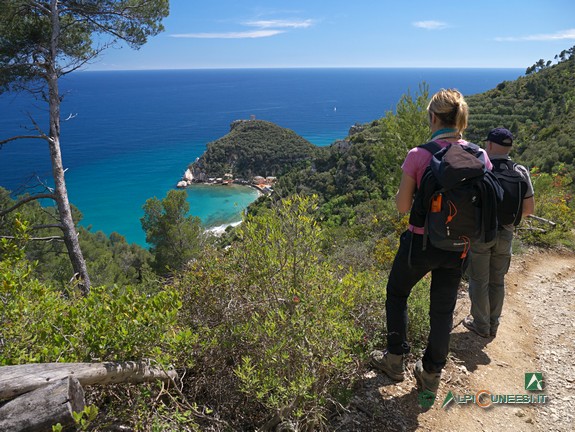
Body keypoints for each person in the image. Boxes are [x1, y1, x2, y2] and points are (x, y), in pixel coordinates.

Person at [370, 89, 493, 398]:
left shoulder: (419, 154)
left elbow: (402, 206)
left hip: (420, 244)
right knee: (443, 309)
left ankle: (395, 360)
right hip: (459, 247)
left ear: (434, 118)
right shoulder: (480, 155)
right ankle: (431, 374)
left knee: (397, 294)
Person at [463, 128, 535, 338]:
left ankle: (481, 325)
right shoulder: (520, 171)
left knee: (478, 280)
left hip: (482, 234)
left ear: (491, 145)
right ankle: (493, 324)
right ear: (510, 147)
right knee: (497, 280)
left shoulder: (480, 168)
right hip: (506, 233)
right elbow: (529, 210)